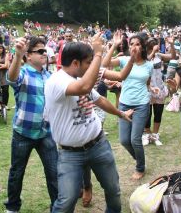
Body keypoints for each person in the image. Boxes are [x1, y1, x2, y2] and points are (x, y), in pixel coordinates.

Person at [44, 35, 134, 212]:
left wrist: (120, 113)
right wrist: (99, 54)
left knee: (113, 190)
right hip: (70, 154)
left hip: (98, 144)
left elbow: (99, 100)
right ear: (76, 63)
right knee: (66, 201)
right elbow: (84, 88)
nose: (92, 66)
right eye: (89, 62)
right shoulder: (56, 82)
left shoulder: (79, 79)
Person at [4, 37, 58, 213]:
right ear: (29, 56)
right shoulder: (23, 73)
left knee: (54, 173)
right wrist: (17, 56)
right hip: (23, 133)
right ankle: (12, 207)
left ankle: (56, 207)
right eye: (40, 51)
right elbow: (11, 78)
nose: (44, 54)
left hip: (46, 132)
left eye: (45, 51)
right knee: (16, 173)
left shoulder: (49, 76)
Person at [102, 34, 154, 180]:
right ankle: (139, 159)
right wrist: (114, 44)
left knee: (135, 139)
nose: (134, 47)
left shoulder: (149, 65)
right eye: (132, 44)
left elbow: (147, 83)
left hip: (142, 104)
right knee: (124, 140)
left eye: (138, 44)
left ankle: (140, 168)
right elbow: (105, 64)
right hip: (124, 103)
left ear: (142, 47)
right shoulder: (124, 60)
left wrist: (152, 89)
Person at [142, 36, 176, 146]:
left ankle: (155, 134)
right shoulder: (143, 57)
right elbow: (146, 62)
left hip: (159, 87)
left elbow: (173, 57)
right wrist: (152, 52)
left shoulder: (159, 55)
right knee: (147, 113)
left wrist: (171, 45)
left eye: (154, 43)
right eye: (151, 44)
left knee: (158, 112)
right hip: (147, 88)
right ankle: (147, 134)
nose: (153, 45)